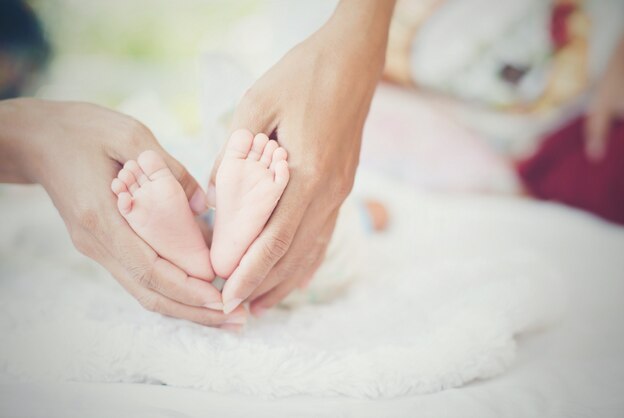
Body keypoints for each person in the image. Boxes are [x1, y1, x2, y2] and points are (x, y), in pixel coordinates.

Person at [0, 0, 397, 327]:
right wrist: (373, 214)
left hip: (199, 187)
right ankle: (221, 234)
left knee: (188, 168)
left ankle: (197, 244)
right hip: (252, 237)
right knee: (335, 246)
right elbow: (373, 213)